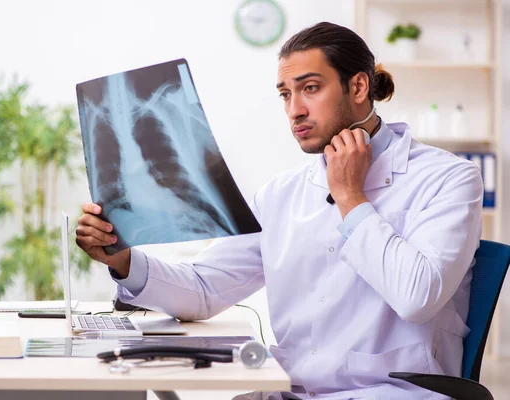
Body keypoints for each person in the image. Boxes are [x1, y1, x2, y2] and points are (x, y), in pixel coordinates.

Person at [76, 22, 483, 399]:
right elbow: (204, 289)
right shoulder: (281, 194)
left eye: (310, 88)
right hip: (290, 390)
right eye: (286, 94)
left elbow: (418, 297)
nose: (295, 110)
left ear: (359, 87)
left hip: (390, 392)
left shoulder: (449, 179)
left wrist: (351, 199)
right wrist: (125, 260)